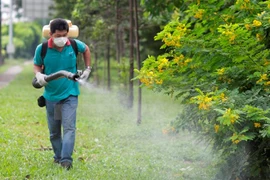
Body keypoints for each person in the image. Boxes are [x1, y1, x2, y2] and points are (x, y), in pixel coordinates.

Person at [33, 18, 91, 170]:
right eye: (58, 35)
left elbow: (86, 49)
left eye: (64, 35)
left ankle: (66, 160)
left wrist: (88, 69)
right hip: (51, 96)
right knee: (54, 132)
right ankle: (58, 157)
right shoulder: (42, 48)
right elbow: (37, 65)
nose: (62, 39)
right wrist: (39, 75)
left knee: (69, 128)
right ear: (51, 34)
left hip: (70, 94)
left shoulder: (72, 44)